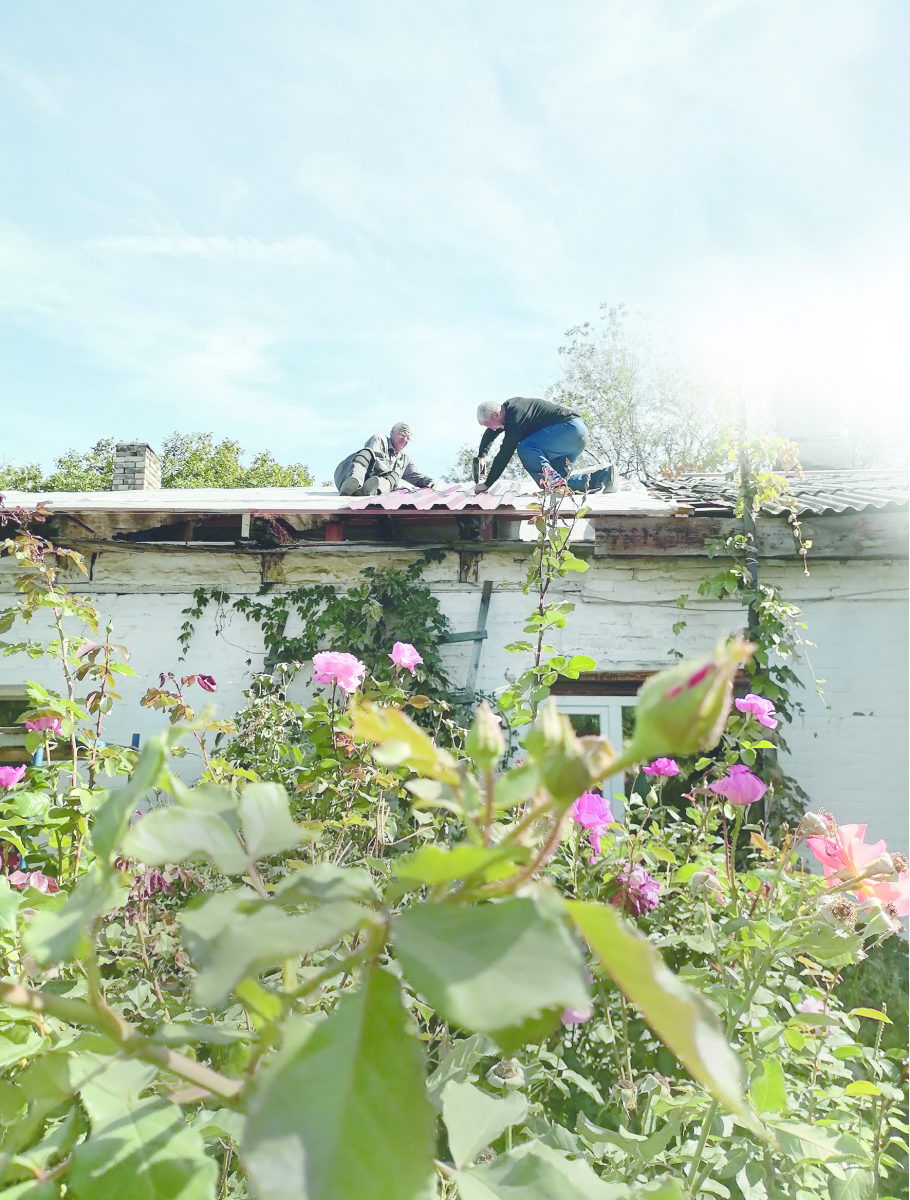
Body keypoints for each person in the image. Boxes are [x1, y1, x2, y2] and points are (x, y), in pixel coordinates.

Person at [474, 397, 616, 494]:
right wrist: (481, 455)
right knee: (558, 485)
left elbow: (505, 453)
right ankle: (605, 477)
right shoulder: (508, 410)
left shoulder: (516, 415)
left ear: (496, 415)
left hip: (567, 428)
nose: (493, 429)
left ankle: (556, 484)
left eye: (489, 425)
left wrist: (487, 484)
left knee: (524, 448)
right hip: (576, 434)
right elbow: (491, 432)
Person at [334, 421, 437, 496]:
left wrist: (431, 482)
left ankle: (367, 491)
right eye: (402, 434)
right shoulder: (380, 439)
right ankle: (353, 482)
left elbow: (417, 476)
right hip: (345, 475)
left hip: (370, 488)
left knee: (394, 475)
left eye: (408, 438)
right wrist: (394, 484)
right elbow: (376, 464)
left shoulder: (405, 459)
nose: (405, 440)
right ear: (392, 432)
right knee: (367, 452)